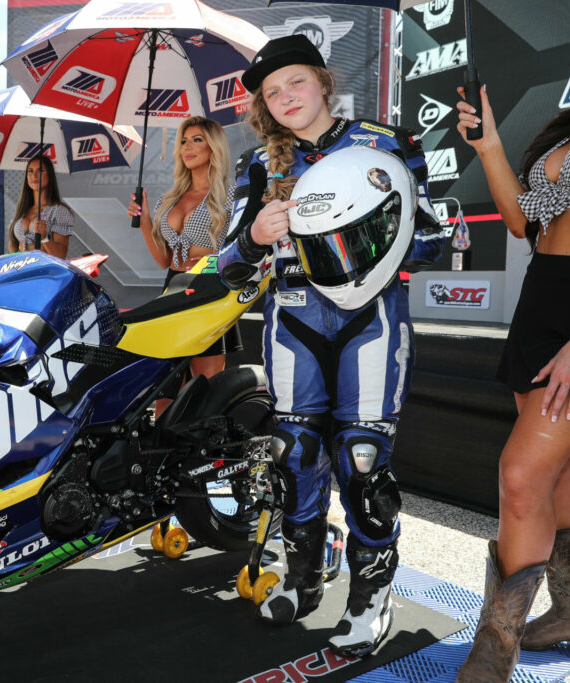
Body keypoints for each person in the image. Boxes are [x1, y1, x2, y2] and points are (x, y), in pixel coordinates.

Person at [215, 35, 445, 657]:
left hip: (372, 315)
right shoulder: (258, 165)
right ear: (264, 106)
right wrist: (256, 237)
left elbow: (435, 239)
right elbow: (227, 266)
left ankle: (371, 597)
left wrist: (368, 228)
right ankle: (304, 576)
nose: (287, 97)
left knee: (364, 458)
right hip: (290, 316)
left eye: (296, 82)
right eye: (273, 92)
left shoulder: (386, 142)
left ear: (321, 81)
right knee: (293, 453)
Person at [452, 12, 570, 680]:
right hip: (544, 300)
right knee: (565, 468)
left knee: (520, 474)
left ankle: (496, 644)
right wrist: (488, 149)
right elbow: (523, 222)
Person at [127, 116, 242, 396]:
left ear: (213, 147)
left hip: (209, 288)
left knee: (206, 384)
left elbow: (239, 246)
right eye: (183, 141)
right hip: (173, 286)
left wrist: (211, 256)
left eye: (197, 140)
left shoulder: (229, 195)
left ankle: (205, 440)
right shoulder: (169, 198)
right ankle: (159, 440)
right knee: (166, 384)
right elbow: (165, 260)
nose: (187, 147)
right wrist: (144, 223)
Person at [7, 154, 74, 259]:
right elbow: (12, 248)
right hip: (23, 271)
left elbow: (61, 256)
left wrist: (44, 238)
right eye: (30, 171)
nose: (34, 175)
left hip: (45, 273)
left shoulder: (60, 211)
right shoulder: (22, 209)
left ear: (49, 175)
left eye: (40, 171)